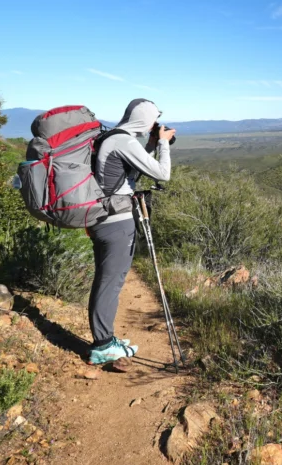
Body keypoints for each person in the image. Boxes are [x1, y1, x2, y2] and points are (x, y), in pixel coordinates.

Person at [87, 98, 175, 364]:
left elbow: (131, 168)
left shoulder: (113, 138)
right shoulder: (122, 141)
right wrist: (161, 144)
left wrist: (150, 143)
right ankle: (102, 345)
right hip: (115, 220)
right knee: (109, 282)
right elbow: (162, 173)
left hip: (105, 217)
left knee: (108, 279)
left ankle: (106, 338)